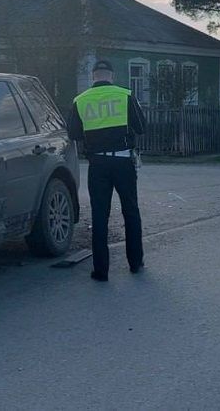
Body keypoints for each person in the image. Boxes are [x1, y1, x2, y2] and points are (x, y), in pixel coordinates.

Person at [67, 60, 146, 282]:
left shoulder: (80, 100)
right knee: (130, 211)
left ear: (94, 76)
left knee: (100, 216)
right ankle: (135, 263)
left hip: (97, 164)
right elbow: (141, 126)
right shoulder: (125, 94)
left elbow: (73, 133)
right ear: (111, 75)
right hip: (123, 162)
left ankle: (101, 271)